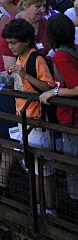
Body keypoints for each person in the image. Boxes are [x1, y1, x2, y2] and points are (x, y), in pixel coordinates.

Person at [0, 18, 55, 213]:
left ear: (26, 41)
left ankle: (50, 208)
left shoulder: (35, 59)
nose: (10, 47)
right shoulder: (21, 58)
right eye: (9, 43)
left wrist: (25, 75)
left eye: (13, 43)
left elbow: (49, 87)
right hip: (23, 117)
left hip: (36, 120)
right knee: (34, 167)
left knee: (43, 169)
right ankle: (39, 204)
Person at [40, 13, 78, 203]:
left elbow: (76, 88)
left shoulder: (61, 56)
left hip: (71, 117)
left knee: (73, 161)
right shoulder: (74, 50)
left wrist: (54, 93)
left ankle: (74, 199)